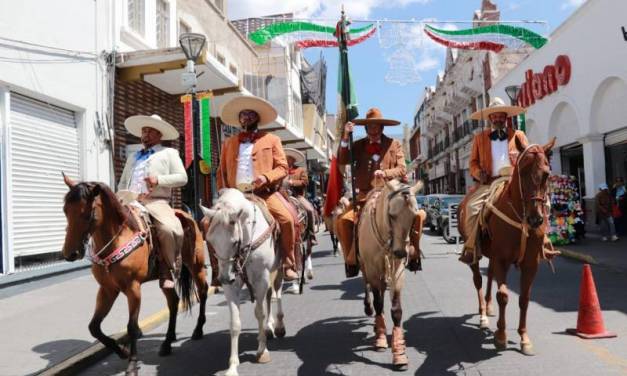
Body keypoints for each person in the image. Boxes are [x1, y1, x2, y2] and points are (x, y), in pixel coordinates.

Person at [217, 95, 299, 281]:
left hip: (264, 194)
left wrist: (266, 177)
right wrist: (222, 190)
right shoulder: (228, 143)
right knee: (210, 223)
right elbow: (220, 171)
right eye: (242, 115)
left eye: (250, 114)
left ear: (257, 118)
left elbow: (283, 168)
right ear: (239, 119)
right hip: (235, 195)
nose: (245, 118)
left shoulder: (272, 139)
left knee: (286, 219)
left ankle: (288, 262)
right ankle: (218, 269)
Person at [335, 108, 421, 278]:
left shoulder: (394, 144)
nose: (373, 131)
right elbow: (342, 160)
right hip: (364, 197)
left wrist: (386, 174)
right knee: (344, 221)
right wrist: (345, 137)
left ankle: (413, 252)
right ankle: (351, 259)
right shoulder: (357, 145)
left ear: (382, 128)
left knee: (416, 215)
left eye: (376, 127)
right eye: (370, 128)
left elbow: (402, 168)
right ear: (366, 129)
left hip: (391, 195)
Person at [118, 114, 188, 289]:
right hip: (129, 200)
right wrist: (118, 197)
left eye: (149, 131)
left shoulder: (169, 153)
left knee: (168, 229)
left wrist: (159, 180)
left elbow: (183, 178)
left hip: (155, 201)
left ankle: (168, 268)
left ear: (159, 135)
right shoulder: (133, 157)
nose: (145, 135)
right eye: (143, 131)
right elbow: (122, 180)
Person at [458, 97, 529, 264]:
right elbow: (473, 163)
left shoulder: (518, 135)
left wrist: (520, 160)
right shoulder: (479, 138)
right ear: (490, 118)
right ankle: (472, 246)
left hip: (514, 180)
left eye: (501, 116)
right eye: (494, 116)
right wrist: (478, 173)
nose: (498, 119)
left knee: (539, 203)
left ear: (506, 118)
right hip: (490, 182)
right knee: (471, 207)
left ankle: (543, 242)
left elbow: (529, 157)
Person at [284, 148, 318, 246]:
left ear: (293, 160)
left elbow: (305, 182)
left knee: (310, 210)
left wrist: (292, 182)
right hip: (283, 196)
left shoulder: (300, 170)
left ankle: (312, 235)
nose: (287, 160)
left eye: (289, 158)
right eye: (286, 158)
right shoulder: (281, 170)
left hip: (297, 196)